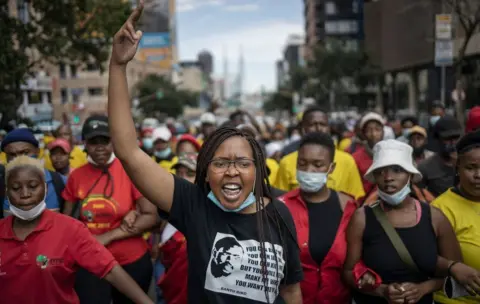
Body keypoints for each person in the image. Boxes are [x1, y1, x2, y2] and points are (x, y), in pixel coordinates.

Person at [107, 5, 304, 302]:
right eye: (220, 163)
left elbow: (290, 290)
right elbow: (127, 151)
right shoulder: (194, 206)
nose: (232, 171)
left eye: (242, 163)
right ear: (206, 172)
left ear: (259, 170)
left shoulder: (280, 214)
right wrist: (118, 66)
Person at [0, 156, 153, 304]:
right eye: (15, 188)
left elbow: (110, 269)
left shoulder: (70, 229)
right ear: (7, 192)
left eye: (33, 186)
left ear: (45, 189)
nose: (25, 194)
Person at [343, 140, 463, 304]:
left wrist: (423, 289)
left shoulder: (435, 217)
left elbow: (457, 272)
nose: (388, 178)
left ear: (411, 175)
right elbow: (348, 272)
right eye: (380, 171)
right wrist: (381, 290)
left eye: (397, 170)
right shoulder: (362, 218)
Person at [62, 115, 158, 304]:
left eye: (105, 141)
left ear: (113, 141)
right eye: (93, 142)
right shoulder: (76, 177)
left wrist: (109, 236)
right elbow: (66, 223)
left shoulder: (129, 170)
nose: (99, 148)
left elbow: (151, 217)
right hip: (90, 262)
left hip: (132, 261)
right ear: (84, 144)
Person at [280, 132, 358, 304]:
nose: (309, 171)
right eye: (302, 163)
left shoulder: (350, 208)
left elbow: (357, 262)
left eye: (318, 165)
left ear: (331, 167)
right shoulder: (281, 208)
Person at [274, 106, 365, 200]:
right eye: (312, 124)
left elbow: (356, 199)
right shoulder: (287, 162)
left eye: (322, 124)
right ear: (303, 128)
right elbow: (281, 200)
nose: (318, 128)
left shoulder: (347, 161)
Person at [432, 130, 480, 304]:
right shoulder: (441, 209)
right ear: (458, 167)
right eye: (471, 168)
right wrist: (452, 267)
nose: (478, 176)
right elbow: (424, 257)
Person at [2, 128, 67, 214]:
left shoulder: (60, 182)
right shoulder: (2, 185)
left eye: (25, 152)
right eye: (12, 154)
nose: (20, 159)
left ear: (38, 151)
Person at [418, 115, 463, 197]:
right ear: (438, 139)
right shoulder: (425, 167)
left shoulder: (469, 163)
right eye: (447, 139)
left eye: (456, 138)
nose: (453, 142)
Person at [352, 112, 385, 197]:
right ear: (363, 134)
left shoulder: (392, 154)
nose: (373, 134)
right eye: (369, 130)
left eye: (377, 129)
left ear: (383, 132)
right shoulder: (355, 158)